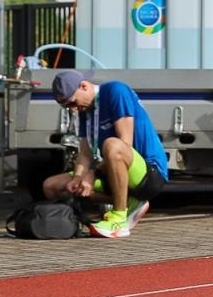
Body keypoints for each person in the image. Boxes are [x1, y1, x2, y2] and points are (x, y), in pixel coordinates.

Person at [42, 70, 167, 238]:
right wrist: (78, 177)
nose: (72, 110)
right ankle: (130, 202)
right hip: (112, 170)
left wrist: (92, 175)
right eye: (66, 107)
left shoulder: (115, 91)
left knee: (112, 145)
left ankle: (119, 219)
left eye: (72, 103)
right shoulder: (84, 111)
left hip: (149, 173)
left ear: (84, 86)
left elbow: (125, 143)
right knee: (51, 186)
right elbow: (85, 153)